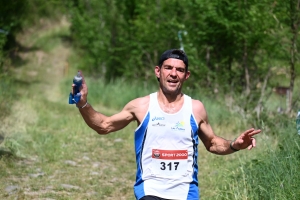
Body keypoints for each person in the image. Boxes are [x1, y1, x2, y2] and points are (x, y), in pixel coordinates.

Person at [71, 49, 261, 200]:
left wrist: (235, 144)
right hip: (150, 189)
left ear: (186, 76)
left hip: (186, 192)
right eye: (168, 68)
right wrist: (82, 103)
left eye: (179, 70)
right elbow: (103, 125)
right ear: (158, 71)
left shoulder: (195, 108)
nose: (173, 74)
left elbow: (212, 143)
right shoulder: (141, 106)